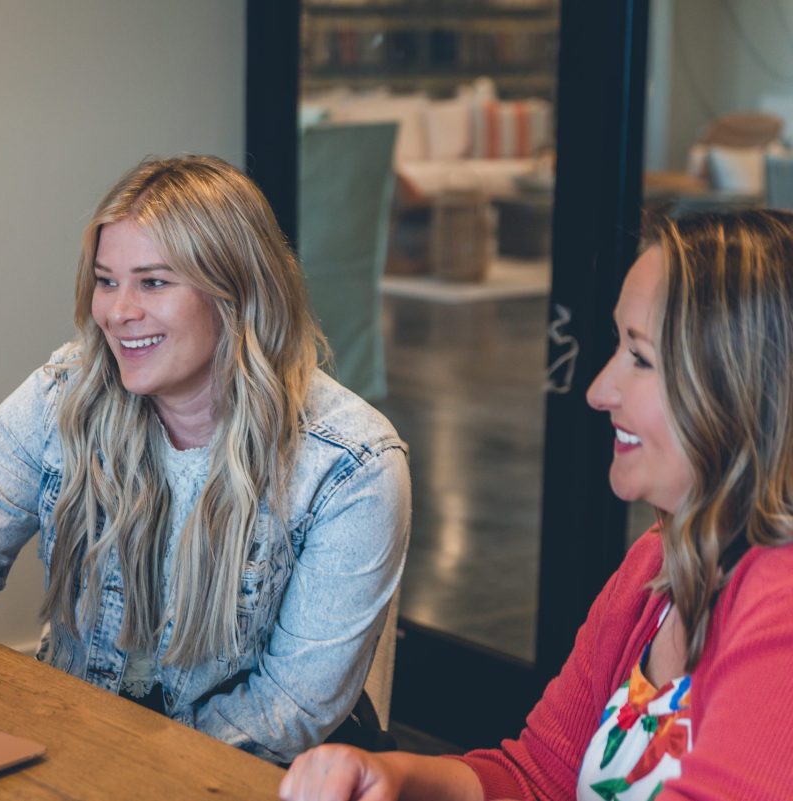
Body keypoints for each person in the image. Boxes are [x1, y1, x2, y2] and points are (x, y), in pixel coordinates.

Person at [0, 155, 411, 764]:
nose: (117, 312)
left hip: (235, 773)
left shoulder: (351, 464)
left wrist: (104, 760)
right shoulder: (65, 393)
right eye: (107, 281)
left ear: (238, 292)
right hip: (78, 742)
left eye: (153, 282)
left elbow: (291, 707)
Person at [281, 209, 793, 800]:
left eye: (641, 358)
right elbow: (541, 777)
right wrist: (393, 776)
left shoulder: (779, 603)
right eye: (616, 347)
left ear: (746, 391)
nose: (599, 390)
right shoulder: (661, 562)